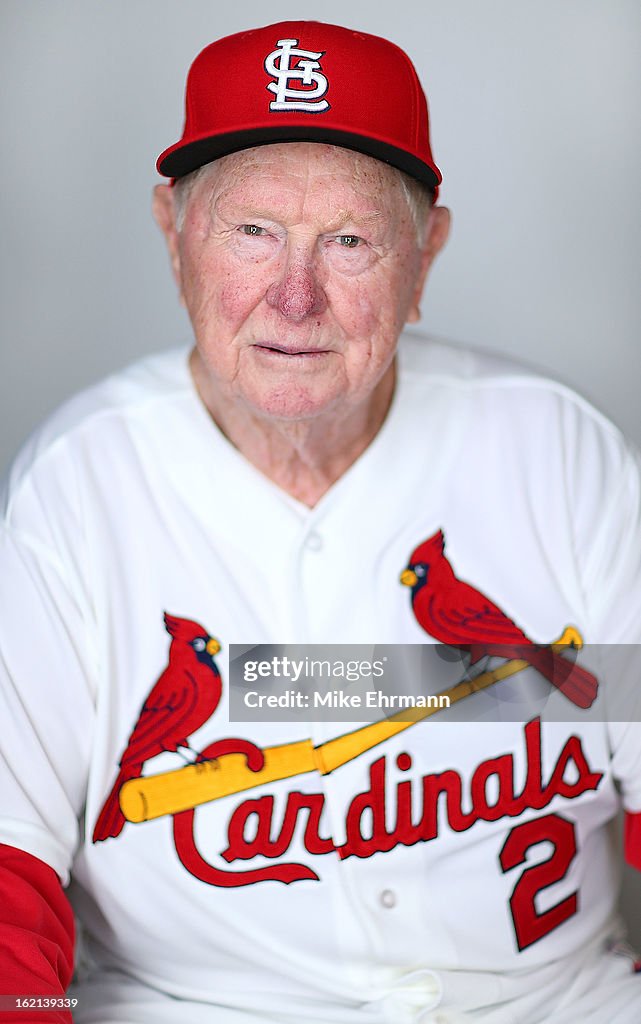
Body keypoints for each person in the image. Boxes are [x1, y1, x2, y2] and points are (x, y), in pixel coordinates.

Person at [1, 19, 640, 1024]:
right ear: (172, 233)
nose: (294, 297)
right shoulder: (77, 488)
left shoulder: (557, 452)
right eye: (251, 231)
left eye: (348, 241)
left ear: (423, 254)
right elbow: (9, 885)